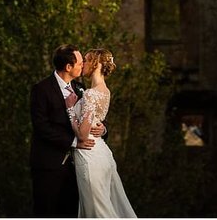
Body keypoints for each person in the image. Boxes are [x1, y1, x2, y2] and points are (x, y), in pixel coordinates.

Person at [30, 44, 105, 217]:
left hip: (77, 167)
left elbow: (91, 114)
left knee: (72, 213)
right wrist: (74, 142)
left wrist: (102, 128)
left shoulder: (80, 88)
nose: (83, 65)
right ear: (68, 67)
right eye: (80, 62)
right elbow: (41, 127)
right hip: (50, 165)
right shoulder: (41, 89)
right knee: (47, 212)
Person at [70, 49, 137, 218]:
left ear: (95, 63)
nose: (82, 64)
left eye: (86, 60)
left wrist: (70, 112)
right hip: (102, 153)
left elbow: (83, 135)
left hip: (89, 154)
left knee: (99, 212)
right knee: (103, 207)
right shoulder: (105, 91)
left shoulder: (91, 94)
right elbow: (96, 121)